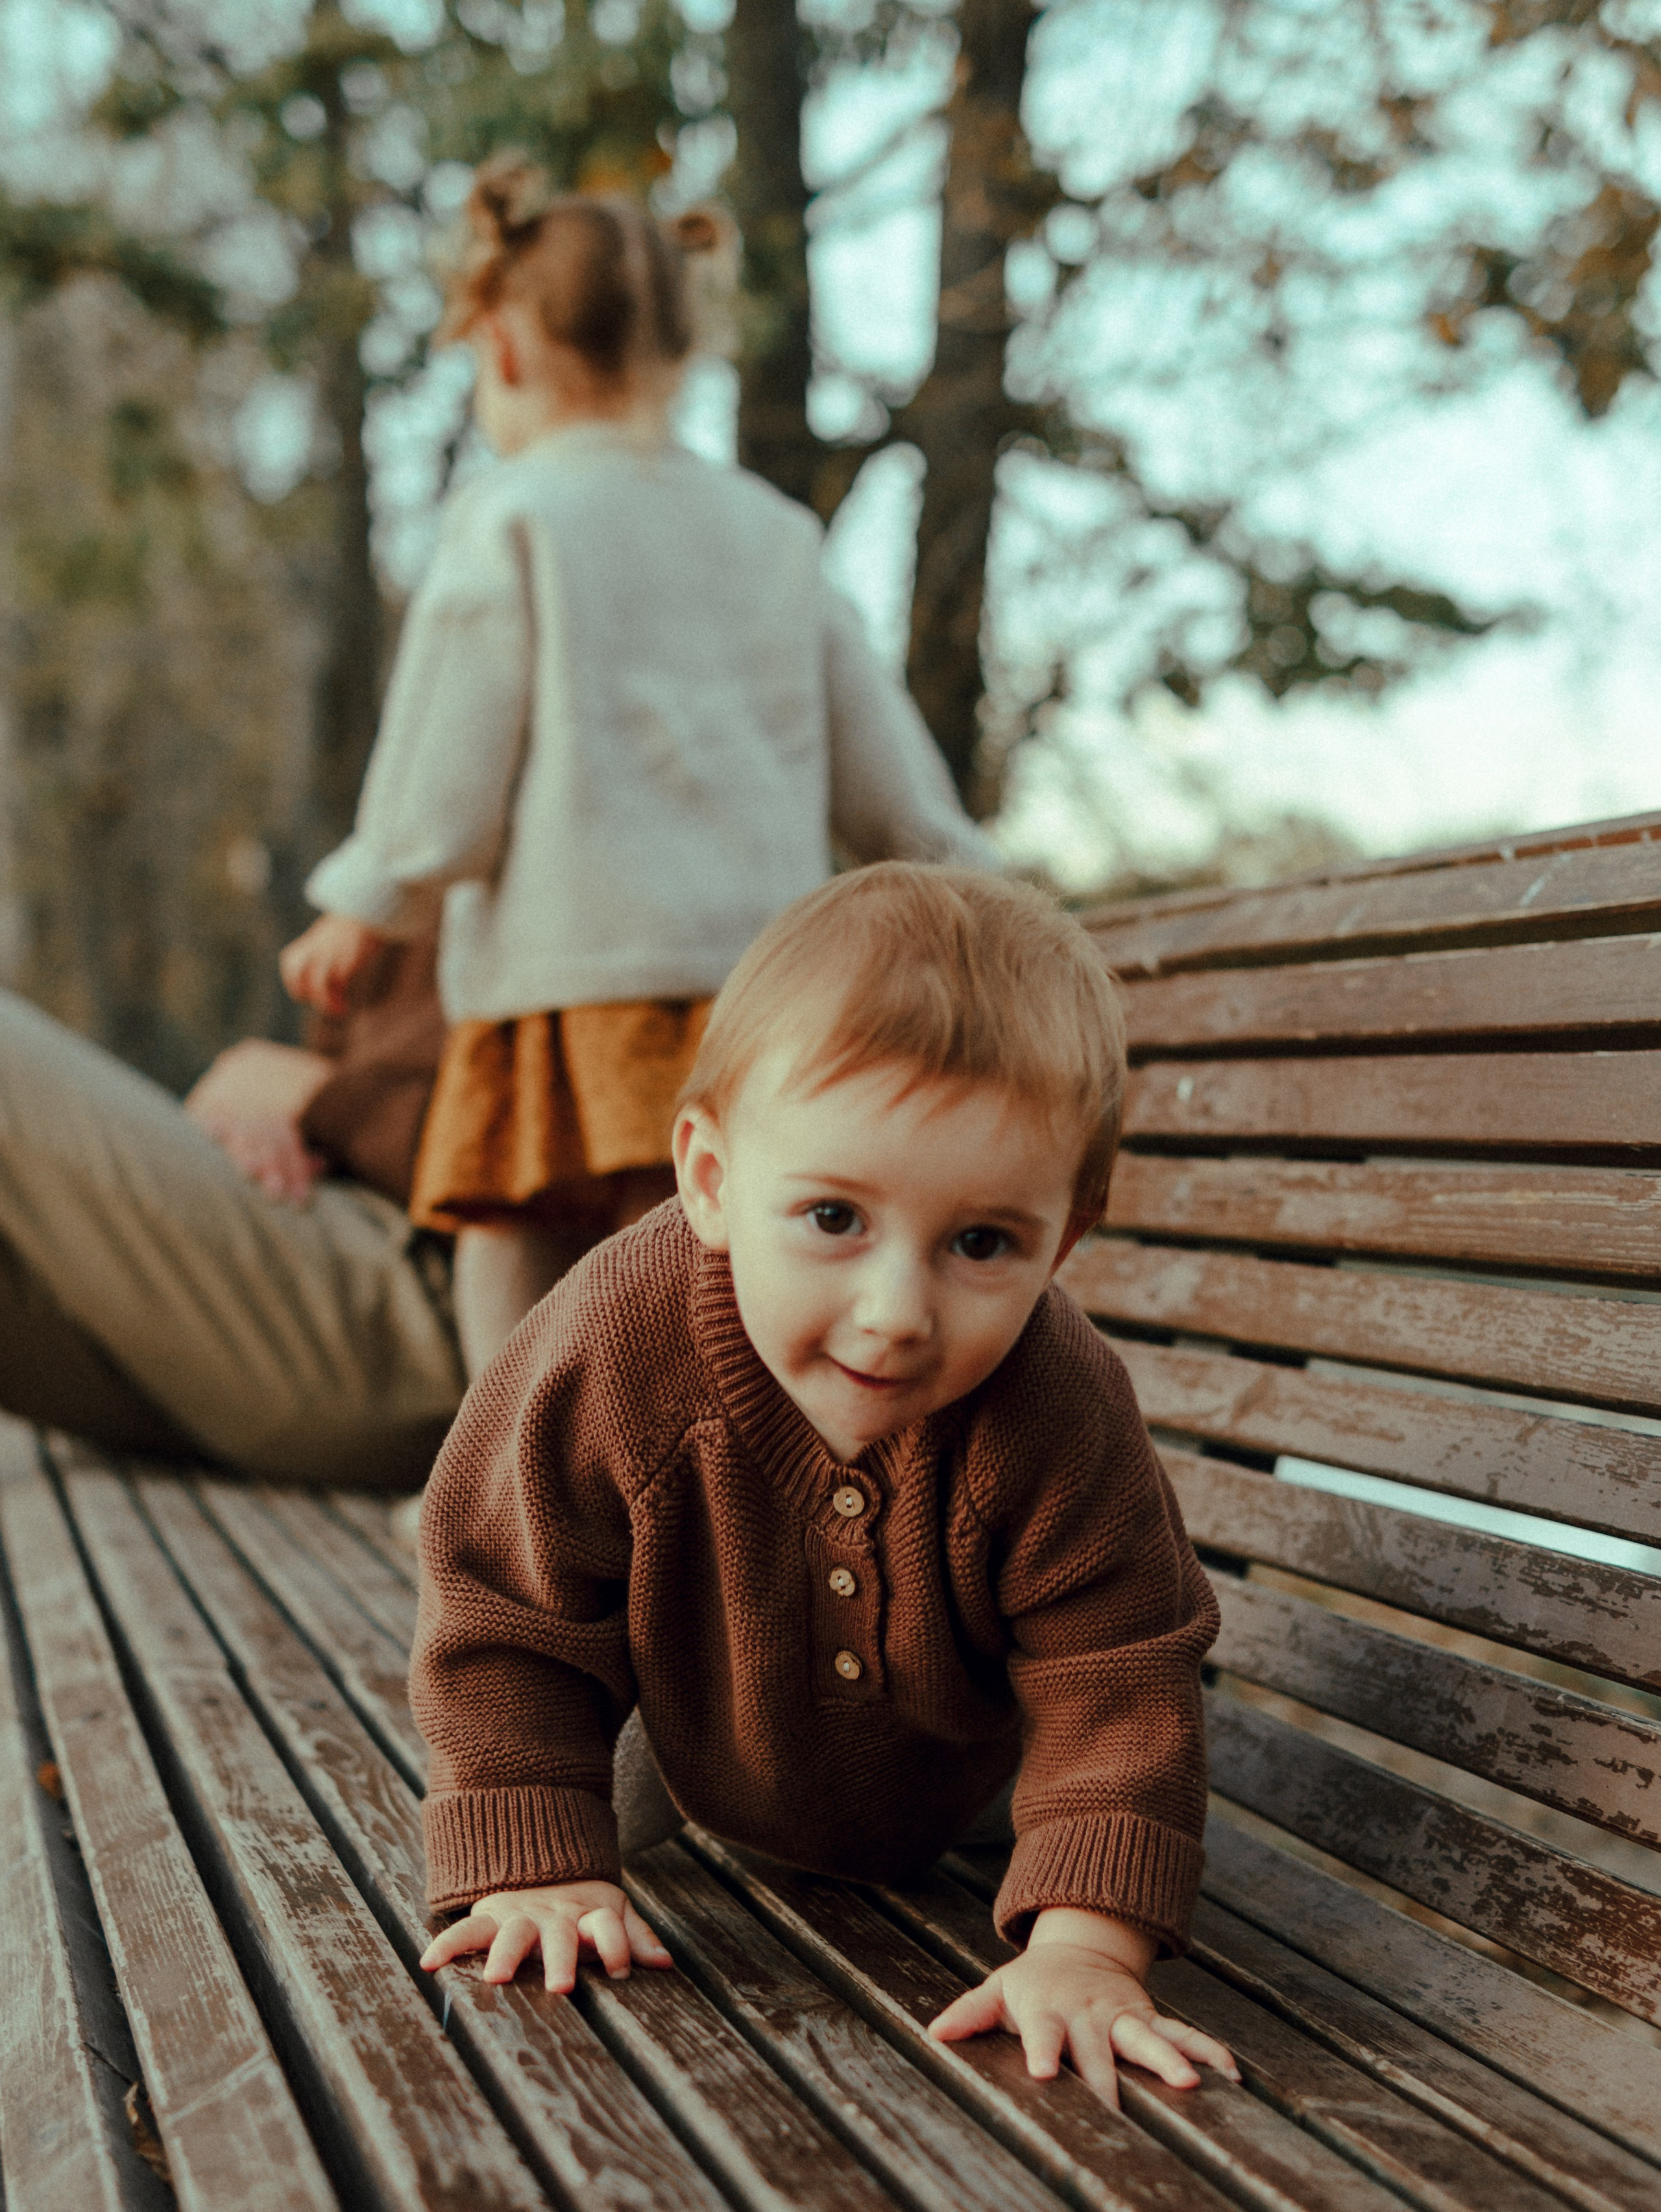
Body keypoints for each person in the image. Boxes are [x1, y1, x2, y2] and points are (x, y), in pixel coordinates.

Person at [412, 864, 1237, 2111]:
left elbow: (1114, 1671)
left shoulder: (1058, 1403)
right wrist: (531, 1853)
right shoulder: (615, 1341)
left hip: (965, 1771)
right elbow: (506, 1601)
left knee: (1091, 1792)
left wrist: (1083, 1948)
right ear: (710, 1178)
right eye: (834, 1218)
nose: (896, 1313)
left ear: (1063, 1239)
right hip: (677, 1730)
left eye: (981, 1244)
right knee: (554, 1777)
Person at [281, 154, 996, 1386]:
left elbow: (447, 778)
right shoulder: (777, 536)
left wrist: (370, 897)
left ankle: (509, 1496)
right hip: (758, 999)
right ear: (689, 346)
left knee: (509, 1231)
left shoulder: (512, 517)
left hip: (562, 978)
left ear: (500, 345)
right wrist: (988, 894)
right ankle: (709, 1497)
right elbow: (895, 796)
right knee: (711, 1263)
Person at [0, 943, 462, 1487]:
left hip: (443, 1320)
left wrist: (322, 1096)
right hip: (339, 1259)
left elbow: (550, 1156)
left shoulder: (562, 871)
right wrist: (281, 1118)